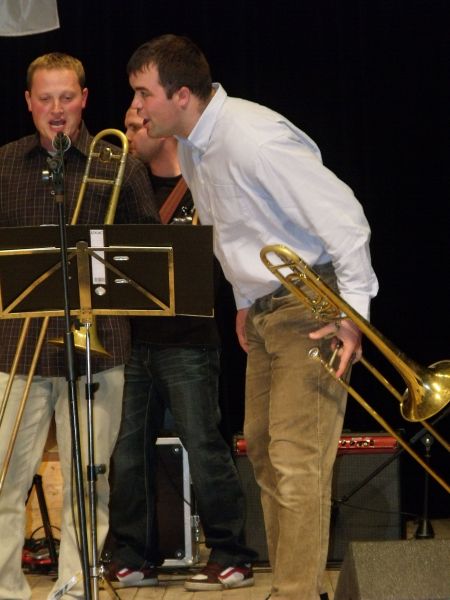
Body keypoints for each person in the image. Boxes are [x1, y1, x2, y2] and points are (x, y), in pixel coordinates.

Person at [126, 34, 379, 600]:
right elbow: (234, 228)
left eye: (144, 94)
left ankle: (295, 593)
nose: (137, 108)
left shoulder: (252, 137)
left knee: (296, 459)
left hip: (311, 302)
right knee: (263, 451)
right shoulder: (194, 144)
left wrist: (353, 315)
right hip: (267, 308)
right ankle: (299, 587)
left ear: (182, 95)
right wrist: (244, 301)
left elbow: (346, 221)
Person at [0, 52, 159, 600]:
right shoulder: (4, 164)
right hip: (15, 351)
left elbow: (148, 258)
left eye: (66, 97)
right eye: (45, 98)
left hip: (99, 350)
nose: (56, 109)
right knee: (4, 481)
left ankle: (74, 589)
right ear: (28, 102)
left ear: (84, 99)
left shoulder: (120, 165)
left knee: (89, 485)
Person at [103, 106, 257, 591]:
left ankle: (231, 555)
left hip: (190, 341)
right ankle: (133, 555)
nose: (127, 135)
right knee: (127, 452)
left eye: (134, 126)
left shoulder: (202, 183)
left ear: (160, 130)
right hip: (131, 340)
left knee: (205, 446)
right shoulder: (124, 189)